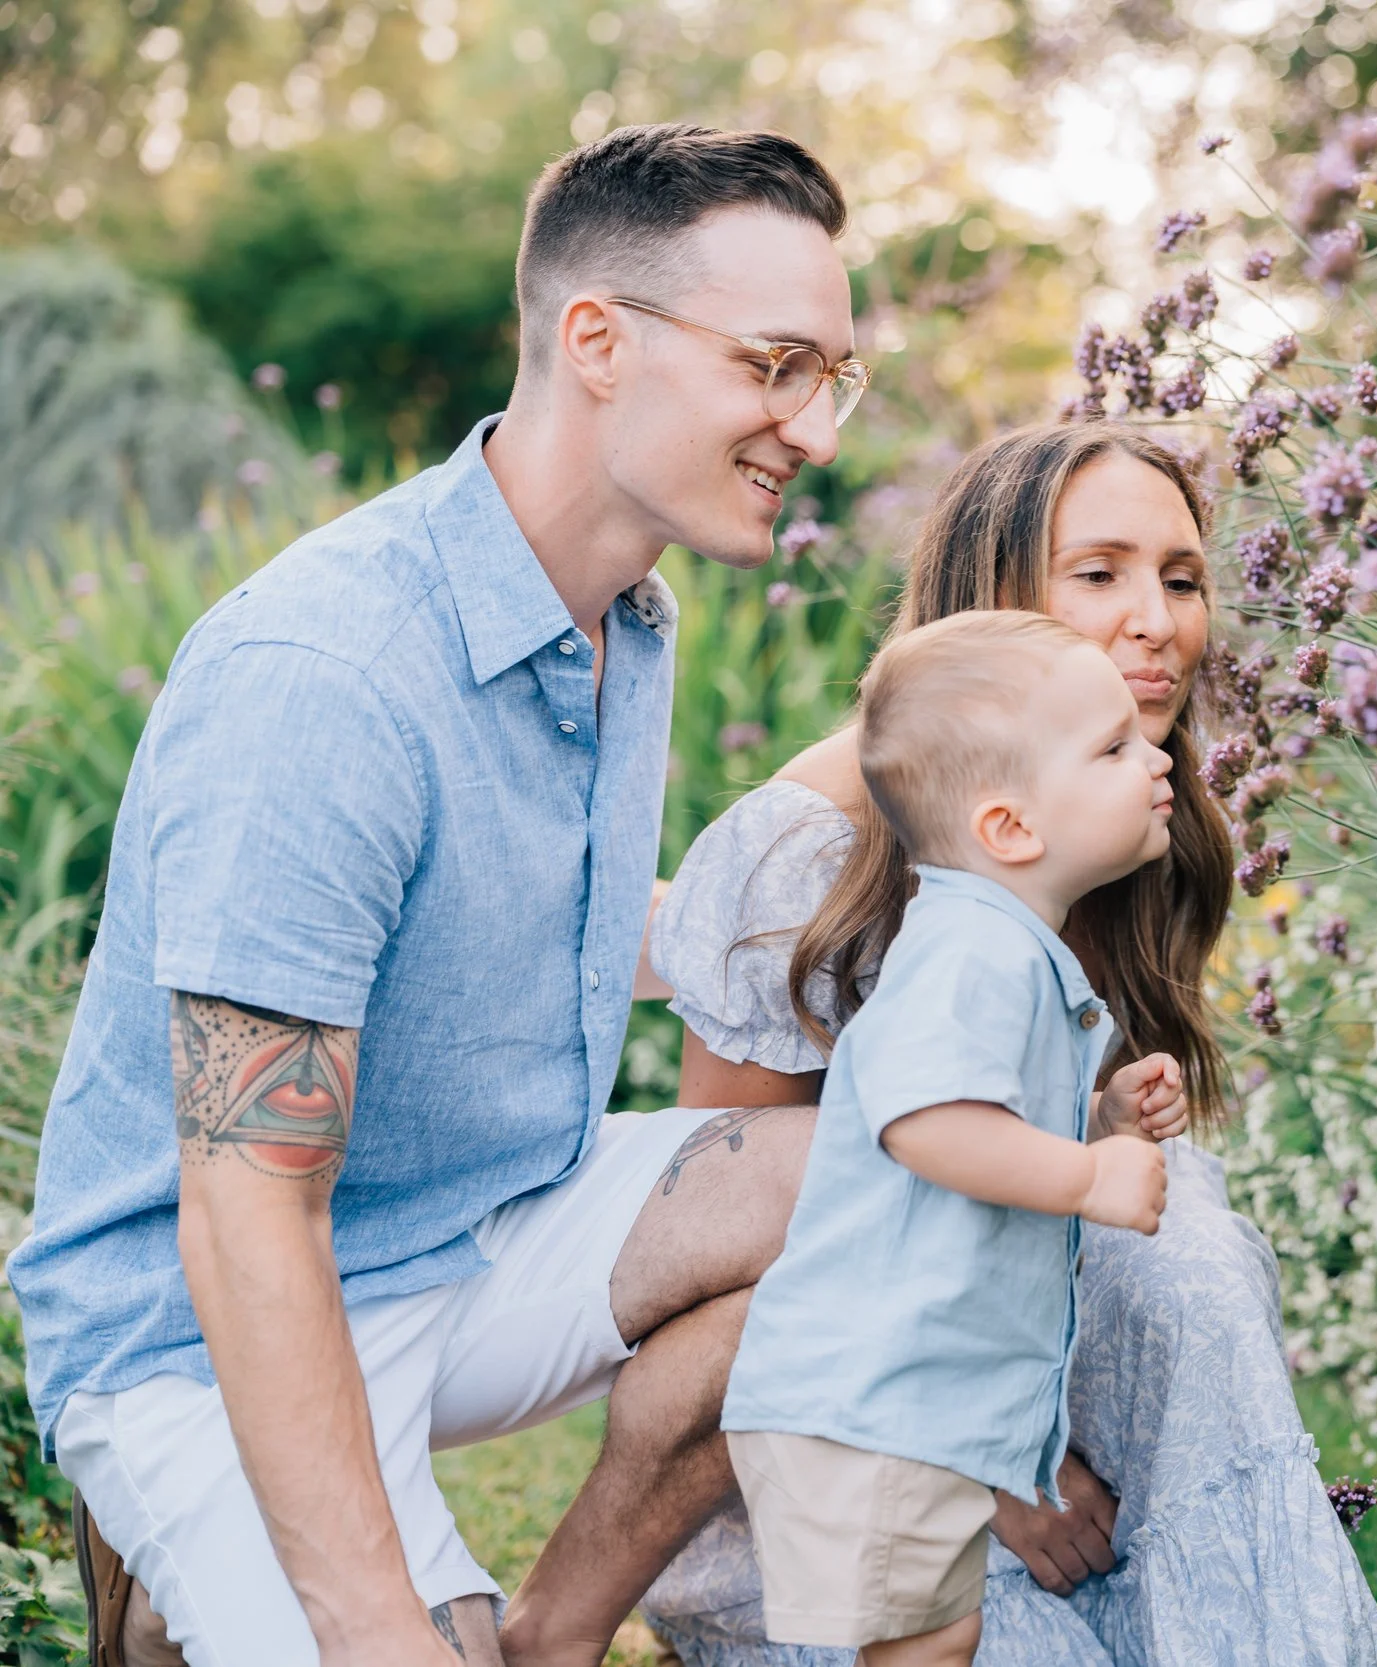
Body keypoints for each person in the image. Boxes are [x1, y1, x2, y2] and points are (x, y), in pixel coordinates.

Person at [7, 123, 863, 1667]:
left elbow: (536, 916)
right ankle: (184, 1564)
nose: (812, 424)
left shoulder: (624, 617)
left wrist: (872, 948)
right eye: (777, 364)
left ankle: (556, 1622)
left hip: (477, 1230)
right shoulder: (328, 672)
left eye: (831, 376)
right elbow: (246, 1208)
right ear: (596, 340)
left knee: (884, 1177)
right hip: (211, 1325)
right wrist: (376, 1617)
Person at [641, 423, 1377, 1666]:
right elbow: (723, 1247)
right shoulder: (807, 845)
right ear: (987, 600)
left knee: (1185, 1244)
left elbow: (1067, 1186)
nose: (1154, 618)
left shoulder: (1127, 821)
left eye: (1180, 575)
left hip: (1016, 1347)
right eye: (1096, 572)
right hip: (848, 1437)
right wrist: (1002, 1462)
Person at [723, 612, 1189, 1665]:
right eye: (1113, 748)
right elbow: (926, 1121)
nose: (1154, 756)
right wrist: (1089, 1173)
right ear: (1011, 826)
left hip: (898, 1404)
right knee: (921, 1647)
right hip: (873, 1404)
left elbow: (982, 1127)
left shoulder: (999, 943)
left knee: (937, 1637)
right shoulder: (974, 950)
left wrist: (1103, 1117)